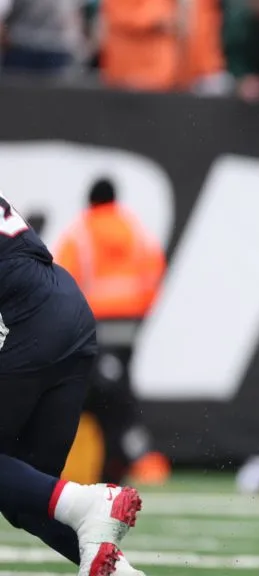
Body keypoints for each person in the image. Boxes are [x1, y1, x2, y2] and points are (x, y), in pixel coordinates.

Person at [0, 190, 144, 575]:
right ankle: (120, 573)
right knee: (27, 497)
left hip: (26, 320)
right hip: (66, 312)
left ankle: (88, 503)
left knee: (48, 495)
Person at [53, 178, 170, 487]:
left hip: (94, 328)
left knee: (95, 397)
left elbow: (63, 280)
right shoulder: (135, 229)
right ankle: (119, 463)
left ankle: (114, 463)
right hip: (129, 328)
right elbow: (155, 271)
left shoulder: (80, 232)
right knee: (119, 399)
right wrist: (139, 310)